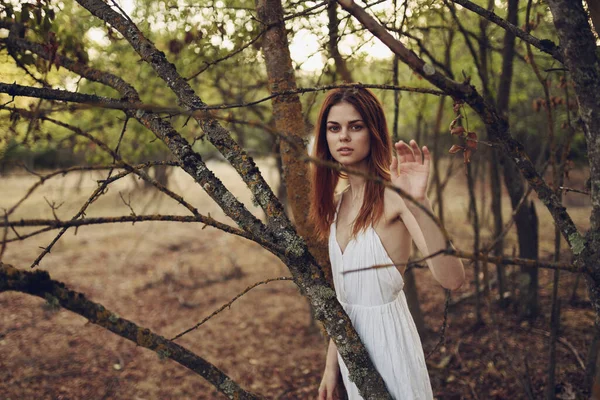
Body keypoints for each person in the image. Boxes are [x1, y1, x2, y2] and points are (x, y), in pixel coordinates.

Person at [310, 87, 465, 400]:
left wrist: (420, 202)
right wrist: (331, 367)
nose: (343, 137)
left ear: (373, 132)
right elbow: (344, 299)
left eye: (356, 127)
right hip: (352, 356)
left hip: (391, 348)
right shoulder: (337, 206)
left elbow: (453, 279)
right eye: (334, 128)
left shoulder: (395, 195)